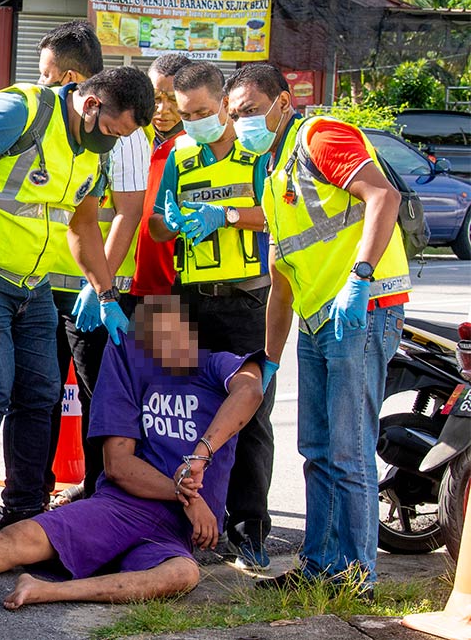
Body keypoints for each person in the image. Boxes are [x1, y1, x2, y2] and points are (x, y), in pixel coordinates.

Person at [0, 67, 155, 545]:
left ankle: (24, 515)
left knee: (41, 393)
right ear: (90, 106)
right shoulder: (21, 110)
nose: (113, 143)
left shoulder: (89, 154)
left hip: (32, 283)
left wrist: (105, 293)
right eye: (112, 131)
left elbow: (83, 227)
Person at [0, 295, 264, 610]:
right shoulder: (133, 374)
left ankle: (43, 590)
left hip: (172, 534)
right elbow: (117, 466)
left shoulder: (217, 366)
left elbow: (250, 392)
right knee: (20, 538)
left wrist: (201, 455)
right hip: (122, 507)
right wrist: (186, 495)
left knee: (182, 576)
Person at [224, 64, 410, 592]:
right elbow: (282, 284)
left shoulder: (318, 136)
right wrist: (270, 358)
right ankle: (320, 567)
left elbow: (384, 198)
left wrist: (360, 277)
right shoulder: (273, 173)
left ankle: (356, 575)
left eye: (251, 110)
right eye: (235, 115)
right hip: (317, 319)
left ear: (283, 102)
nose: (243, 123)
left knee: (348, 450)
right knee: (319, 449)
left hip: (362, 307)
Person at [148, 61, 276, 570]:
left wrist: (224, 215)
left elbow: (275, 214)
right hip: (194, 297)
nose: (195, 120)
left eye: (203, 111)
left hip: (248, 298)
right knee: (190, 410)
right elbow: (157, 225)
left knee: (252, 416)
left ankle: (250, 530)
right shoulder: (181, 156)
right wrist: (173, 221)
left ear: (224, 103)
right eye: (187, 113)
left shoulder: (256, 153)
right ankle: (197, 521)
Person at [36, 21, 151, 502]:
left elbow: (127, 214)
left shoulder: (123, 133)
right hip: (45, 282)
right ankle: (33, 491)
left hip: (95, 292)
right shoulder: (52, 122)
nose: (40, 84)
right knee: (38, 394)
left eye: (46, 75)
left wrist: (98, 285)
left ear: (69, 79)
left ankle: (99, 493)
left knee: (96, 395)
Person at [130, 53, 192, 298]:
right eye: (155, 98)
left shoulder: (201, 146)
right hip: (122, 282)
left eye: (173, 100)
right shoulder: (125, 135)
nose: (162, 110)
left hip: (176, 287)